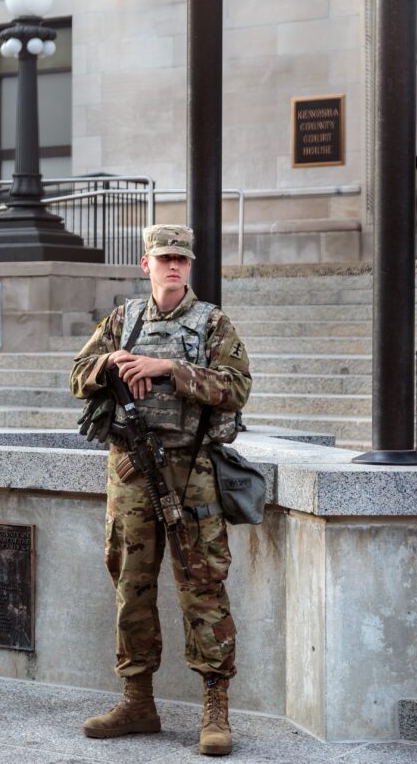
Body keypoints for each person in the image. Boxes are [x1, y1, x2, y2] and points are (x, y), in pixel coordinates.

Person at [69, 224, 251, 757]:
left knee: (204, 587)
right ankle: (137, 700)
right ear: (145, 263)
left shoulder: (212, 323)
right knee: (131, 585)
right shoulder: (122, 320)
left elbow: (237, 387)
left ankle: (215, 708)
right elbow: (77, 374)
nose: (174, 266)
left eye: (182, 258)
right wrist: (113, 363)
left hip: (191, 472)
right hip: (130, 470)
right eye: (164, 257)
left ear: (189, 266)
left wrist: (168, 368)